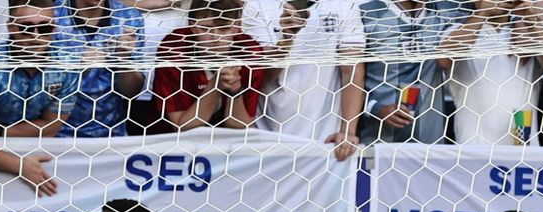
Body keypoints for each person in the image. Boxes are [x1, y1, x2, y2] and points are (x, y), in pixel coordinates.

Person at [0, 0, 81, 197]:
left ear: (54, 28)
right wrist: (20, 166)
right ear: (10, 27)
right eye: (26, 28)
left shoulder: (68, 65)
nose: (35, 36)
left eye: (44, 28)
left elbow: (51, 125)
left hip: (27, 151)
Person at [437, 0, 543, 146]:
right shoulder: (458, 31)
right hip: (473, 146)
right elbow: (444, 60)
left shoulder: (529, 34)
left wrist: (532, 20)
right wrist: (482, 14)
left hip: (522, 146)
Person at [252, 0, 366, 161]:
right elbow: (258, 78)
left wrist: (347, 132)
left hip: (326, 142)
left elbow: (351, 72)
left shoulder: (343, 4)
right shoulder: (257, 5)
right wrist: (286, 40)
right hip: (266, 138)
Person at [152, 0, 268, 131]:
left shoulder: (249, 51)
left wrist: (234, 91)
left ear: (237, 27)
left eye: (224, 29)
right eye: (206, 28)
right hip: (172, 142)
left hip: (229, 142)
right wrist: (215, 86)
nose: (215, 37)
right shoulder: (174, 48)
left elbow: (241, 127)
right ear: (193, 27)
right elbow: (182, 126)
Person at [358, 0, 459, 144]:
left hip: (431, 143)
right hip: (374, 144)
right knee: (370, 164)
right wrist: (375, 108)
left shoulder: (445, 12)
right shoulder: (365, 14)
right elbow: (346, 79)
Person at [54, 0, 148, 138]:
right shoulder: (50, 16)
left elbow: (131, 93)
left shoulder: (129, 18)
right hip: (54, 133)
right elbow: (32, 84)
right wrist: (77, 68)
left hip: (111, 134)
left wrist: (124, 60)